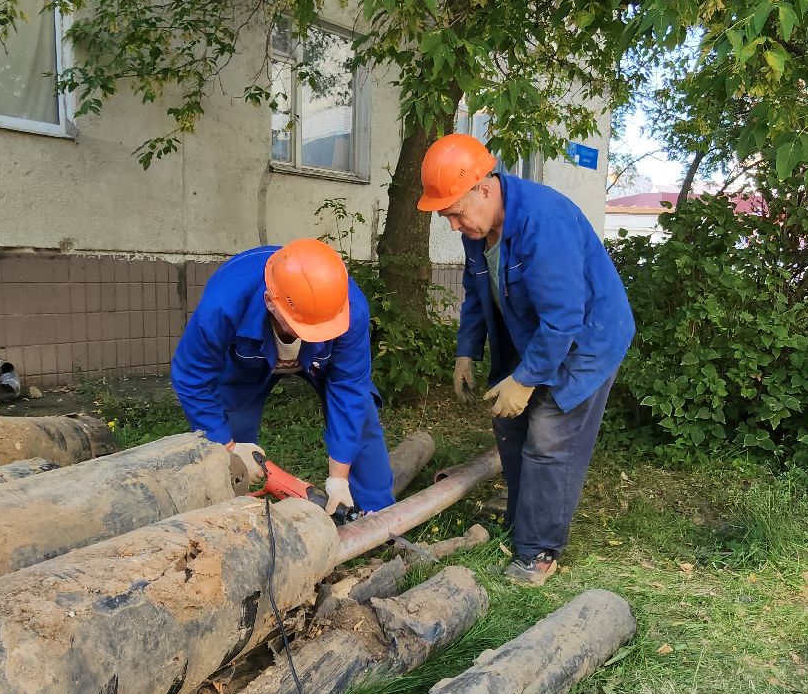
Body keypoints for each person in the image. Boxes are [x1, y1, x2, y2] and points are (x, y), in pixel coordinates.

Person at [417, 133, 634, 585]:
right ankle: (522, 519)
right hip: (531, 331)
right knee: (509, 424)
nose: (454, 226)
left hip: (585, 339)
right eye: (446, 217)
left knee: (550, 436)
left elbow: (563, 318)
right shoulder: (478, 228)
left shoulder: (543, 221)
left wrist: (528, 379)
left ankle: (538, 551)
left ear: (483, 186)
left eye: (455, 213)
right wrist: (466, 351)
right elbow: (477, 293)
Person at [170, 238, 395, 515]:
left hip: (319, 361)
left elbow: (349, 387)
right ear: (270, 302)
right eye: (304, 325)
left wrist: (338, 479)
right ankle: (230, 519)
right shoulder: (223, 306)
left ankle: (378, 514)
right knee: (229, 438)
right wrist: (228, 445)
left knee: (361, 418)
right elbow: (192, 376)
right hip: (248, 360)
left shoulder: (348, 307)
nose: (314, 333)